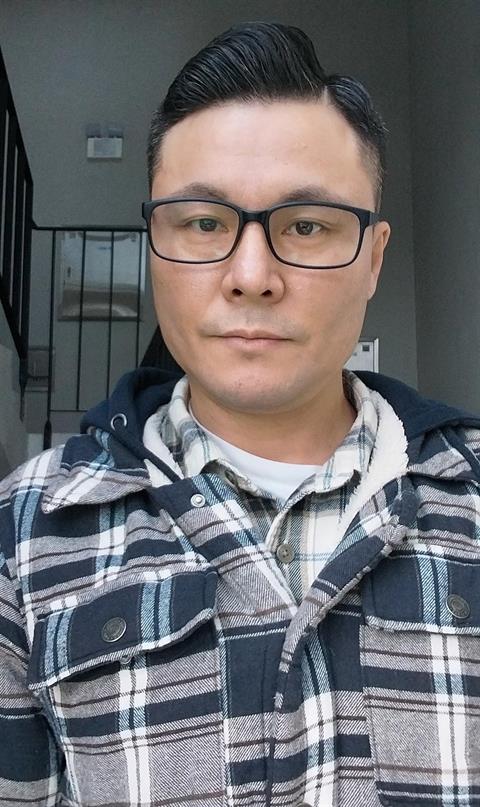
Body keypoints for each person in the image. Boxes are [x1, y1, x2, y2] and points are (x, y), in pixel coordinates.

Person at [1, 20, 480, 807]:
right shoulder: (22, 536)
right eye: (203, 223)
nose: (251, 275)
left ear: (374, 258)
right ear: (154, 245)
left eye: (307, 225)